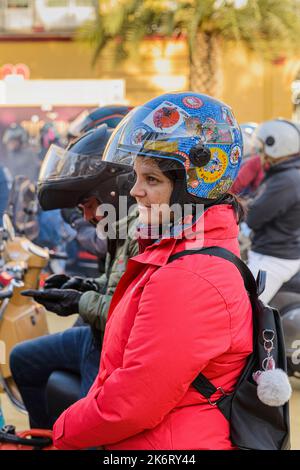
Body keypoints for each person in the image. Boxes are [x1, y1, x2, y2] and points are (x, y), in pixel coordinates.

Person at [52, 92, 253, 450]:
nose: (136, 191)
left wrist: (63, 432)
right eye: (137, 177)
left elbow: (132, 404)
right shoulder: (175, 250)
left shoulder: (189, 276)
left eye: (153, 180)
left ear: (196, 187)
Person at [9, 125, 138, 429]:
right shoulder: (120, 229)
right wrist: (84, 285)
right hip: (97, 336)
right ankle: (44, 437)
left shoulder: (141, 232)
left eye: (89, 206)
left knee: (87, 429)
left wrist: (81, 302)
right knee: (21, 360)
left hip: (113, 347)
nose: (88, 217)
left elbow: (132, 317)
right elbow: (117, 288)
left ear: (113, 192)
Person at [247, 119, 300, 303]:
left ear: (275, 147)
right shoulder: (285, 174)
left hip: (273, 257)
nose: (259, 153)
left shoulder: (286, 180)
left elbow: (254, 218)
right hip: (273, 251)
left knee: (247, 310)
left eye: (261, 148)